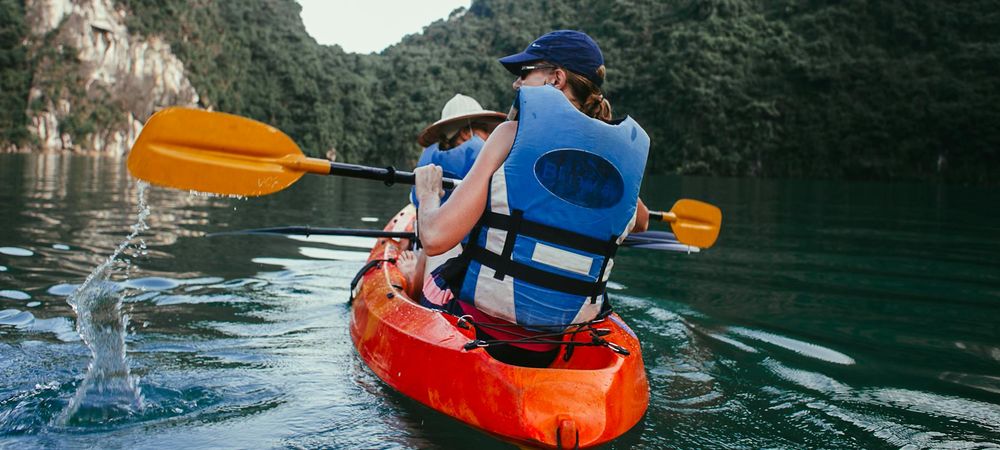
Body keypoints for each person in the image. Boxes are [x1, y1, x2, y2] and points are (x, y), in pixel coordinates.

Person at [409, 30, 651, 368]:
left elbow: (434, 238)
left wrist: (428, 194)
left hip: (477, 328)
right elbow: (641, 221)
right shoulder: (620, 161)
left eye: (525, 73)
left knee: (433, 254)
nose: (516, 84)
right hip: (552, 343)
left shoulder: (509, 135)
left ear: (556, 78)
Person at [397, 94, 506, 298]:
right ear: (466, 133)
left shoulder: (432, 160)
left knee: (428, 242)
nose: (489, 137)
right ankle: (416, 279)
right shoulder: (485, 160)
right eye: (485, 130)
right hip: (452, 246)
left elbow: (415, 205)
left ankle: (415, 279)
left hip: (433, 245)